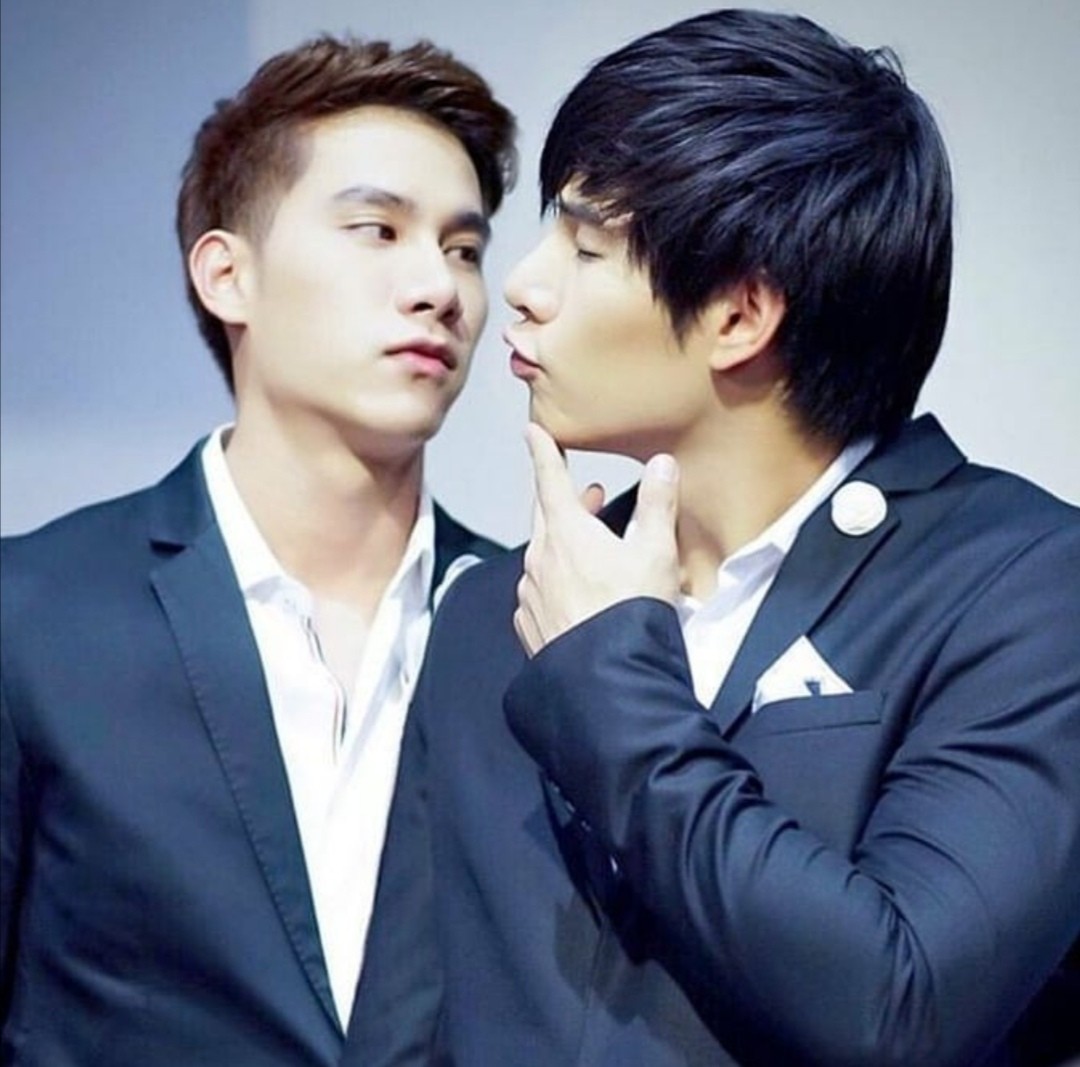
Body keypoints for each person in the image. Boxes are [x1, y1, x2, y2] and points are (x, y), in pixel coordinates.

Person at [348, 9, 1080, 1066]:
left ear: (741, 314)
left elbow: (902, 1005)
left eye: (586, 246)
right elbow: (404, 1031)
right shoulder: (490, 610)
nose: (521, 285)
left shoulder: (1024, 587)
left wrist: (606, 677)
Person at [0, 34, 515, 1066]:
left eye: (464, 248)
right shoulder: (35, 613)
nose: (438, 286)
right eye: (378, 230)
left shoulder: (529, 627)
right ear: (227, 275)